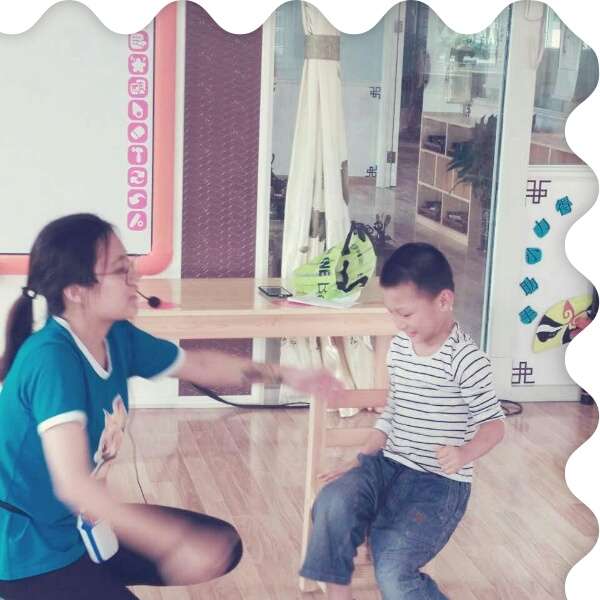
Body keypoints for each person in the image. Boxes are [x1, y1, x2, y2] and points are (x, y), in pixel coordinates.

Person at [0, 213, 343, 600]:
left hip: (78, 527)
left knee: (221, 546)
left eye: (130, 264)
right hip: (24, 550)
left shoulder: (116, 336)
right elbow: (73, 484)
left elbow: (199, 365)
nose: (135, 277)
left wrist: (286, 373)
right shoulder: (51, 360)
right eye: (121, 270)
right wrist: (166, 539)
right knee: (188, 546)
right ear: (76, 291)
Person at [299, 242, 505, 600]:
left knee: (392, 567)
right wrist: (362, 458)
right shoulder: (399, 347)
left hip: (437, 485)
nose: (398, 323)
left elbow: (494, 426)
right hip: (387, 465)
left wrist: (464, 453)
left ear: (444, 301)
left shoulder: (467, 361)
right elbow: (394, 410)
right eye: (392, 313)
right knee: (332, 503)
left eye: (406, 314)